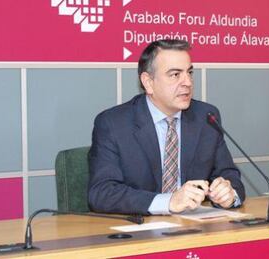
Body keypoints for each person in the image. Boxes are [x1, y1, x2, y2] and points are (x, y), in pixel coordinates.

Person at [88, 39, 245, 215]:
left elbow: (230, 176)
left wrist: (229, 194)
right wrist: (168, 202)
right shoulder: (113, 124)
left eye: (189, 73)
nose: (187, 82)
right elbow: (102, 193)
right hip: (139, 232)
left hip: (194, 230)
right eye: (175, 74)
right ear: (148, 82)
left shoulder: (205, 117)